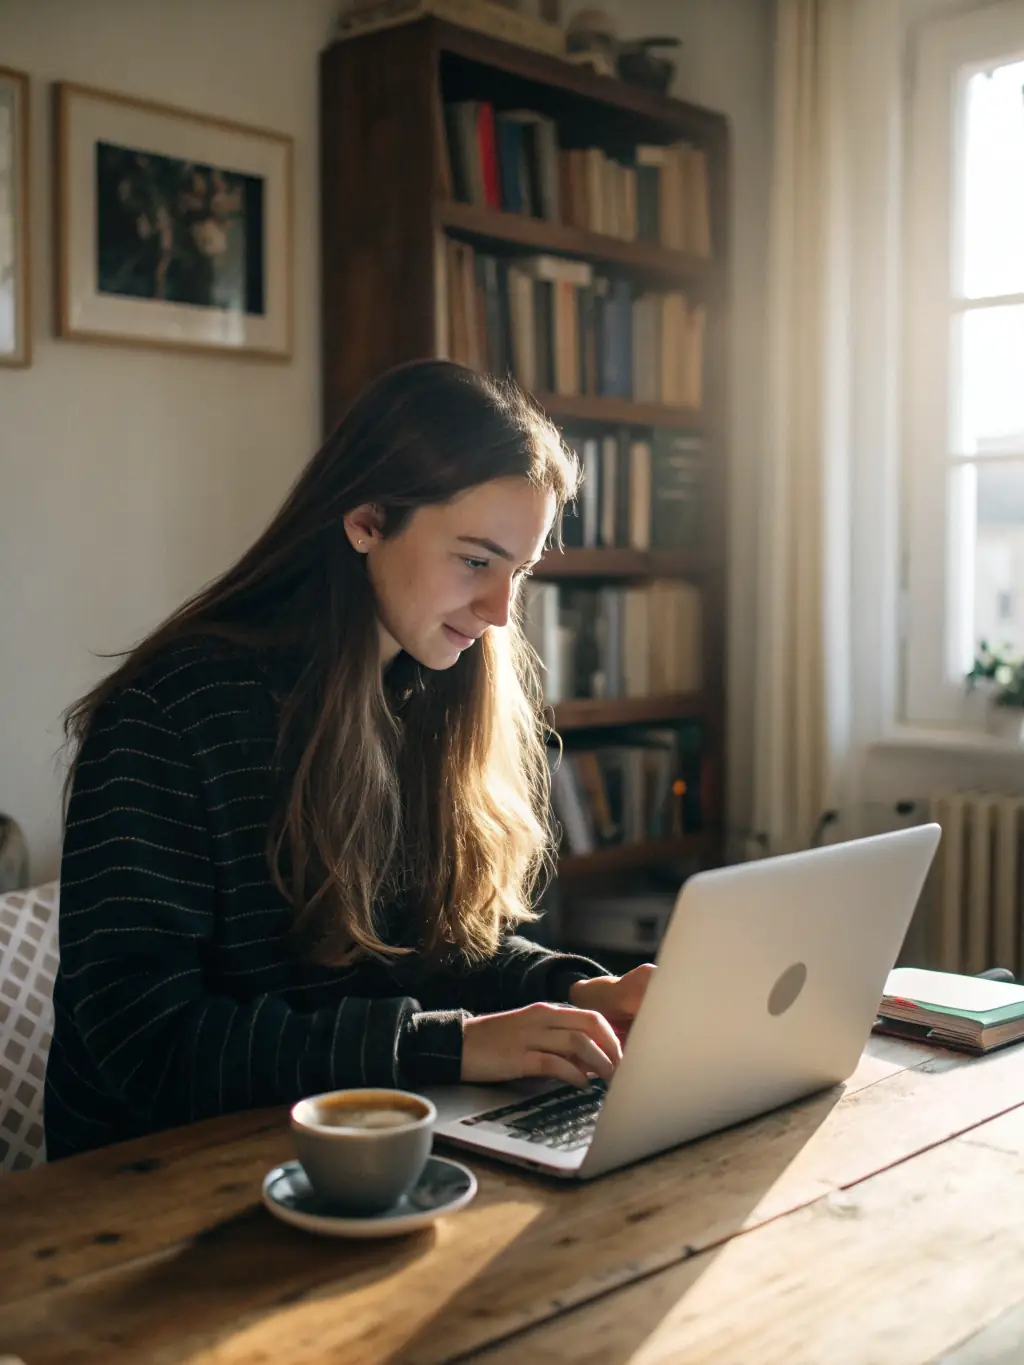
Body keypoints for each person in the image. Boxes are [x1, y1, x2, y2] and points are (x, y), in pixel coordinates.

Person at [46, 361, 655, 1160]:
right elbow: (152, 1045)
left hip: (360, 1152)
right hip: (157, 1191)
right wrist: (448, 1046)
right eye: (475, 560)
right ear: (366, 519)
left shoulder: (422, 687)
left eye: (521, 571)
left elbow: (436, 948)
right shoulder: (167, 716)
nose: (502, 611)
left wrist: (574, 992)